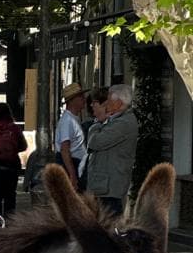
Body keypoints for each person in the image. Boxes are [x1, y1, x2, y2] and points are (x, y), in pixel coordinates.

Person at [85, 83, 139, 216]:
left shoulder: (124, 123)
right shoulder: (116, 119)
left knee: (109, 227)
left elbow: (95, 142)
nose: (106, 105)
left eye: (109, 101)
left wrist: (97, 124)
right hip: (104, 186)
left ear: (119, 103)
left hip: (110, 188)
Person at [0, 102, 27, 218]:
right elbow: (24, 146)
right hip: (10, 167)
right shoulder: (14, 128)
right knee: (10, 197)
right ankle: (10, 225)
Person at [54, 81, 87, 189]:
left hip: (76, 164)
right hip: (71, 164)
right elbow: (65, 149)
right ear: (73, 100)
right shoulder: (67, 121)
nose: (84, 99)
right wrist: (72, 175)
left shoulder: (73, 119)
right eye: (81, 96)